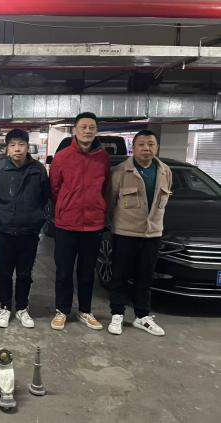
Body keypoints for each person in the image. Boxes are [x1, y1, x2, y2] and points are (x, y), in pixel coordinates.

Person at [106, 130, 172, 336]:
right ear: (133, 148)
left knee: (145, 276)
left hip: (152, 234)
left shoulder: (165, 171)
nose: (146, 148)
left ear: (157, 147)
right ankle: (117, 313)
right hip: (125, 233)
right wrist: (114, 227)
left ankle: (142, 316)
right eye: (141, 144)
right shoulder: (120, 172)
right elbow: (109, 202)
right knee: (120, 275)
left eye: (151, 144)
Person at [49, 112, 110, 331]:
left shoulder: (103, 158)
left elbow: (105, 187)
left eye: (92, 127)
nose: (87, 131)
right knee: (64, 271)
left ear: (96, 131)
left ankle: (85, 310)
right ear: (75, 130)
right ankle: (62, 310)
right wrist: (67, 205)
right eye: (83, 127)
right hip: (67, 223)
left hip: (93, 223)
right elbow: (55, 188)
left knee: (87, 272)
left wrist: (97, 206)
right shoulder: (62, 157)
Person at [0, 129, 50, 329]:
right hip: (4, 231)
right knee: (5, 273)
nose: (17, 149)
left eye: (21, 145)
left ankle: (22, 308)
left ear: (27, 147)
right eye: (13, 145)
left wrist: (36, 218)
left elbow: (44, 197)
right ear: (7, 148)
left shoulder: (38, 170)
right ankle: (5, 307)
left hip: (29, 232)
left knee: (25, 274)